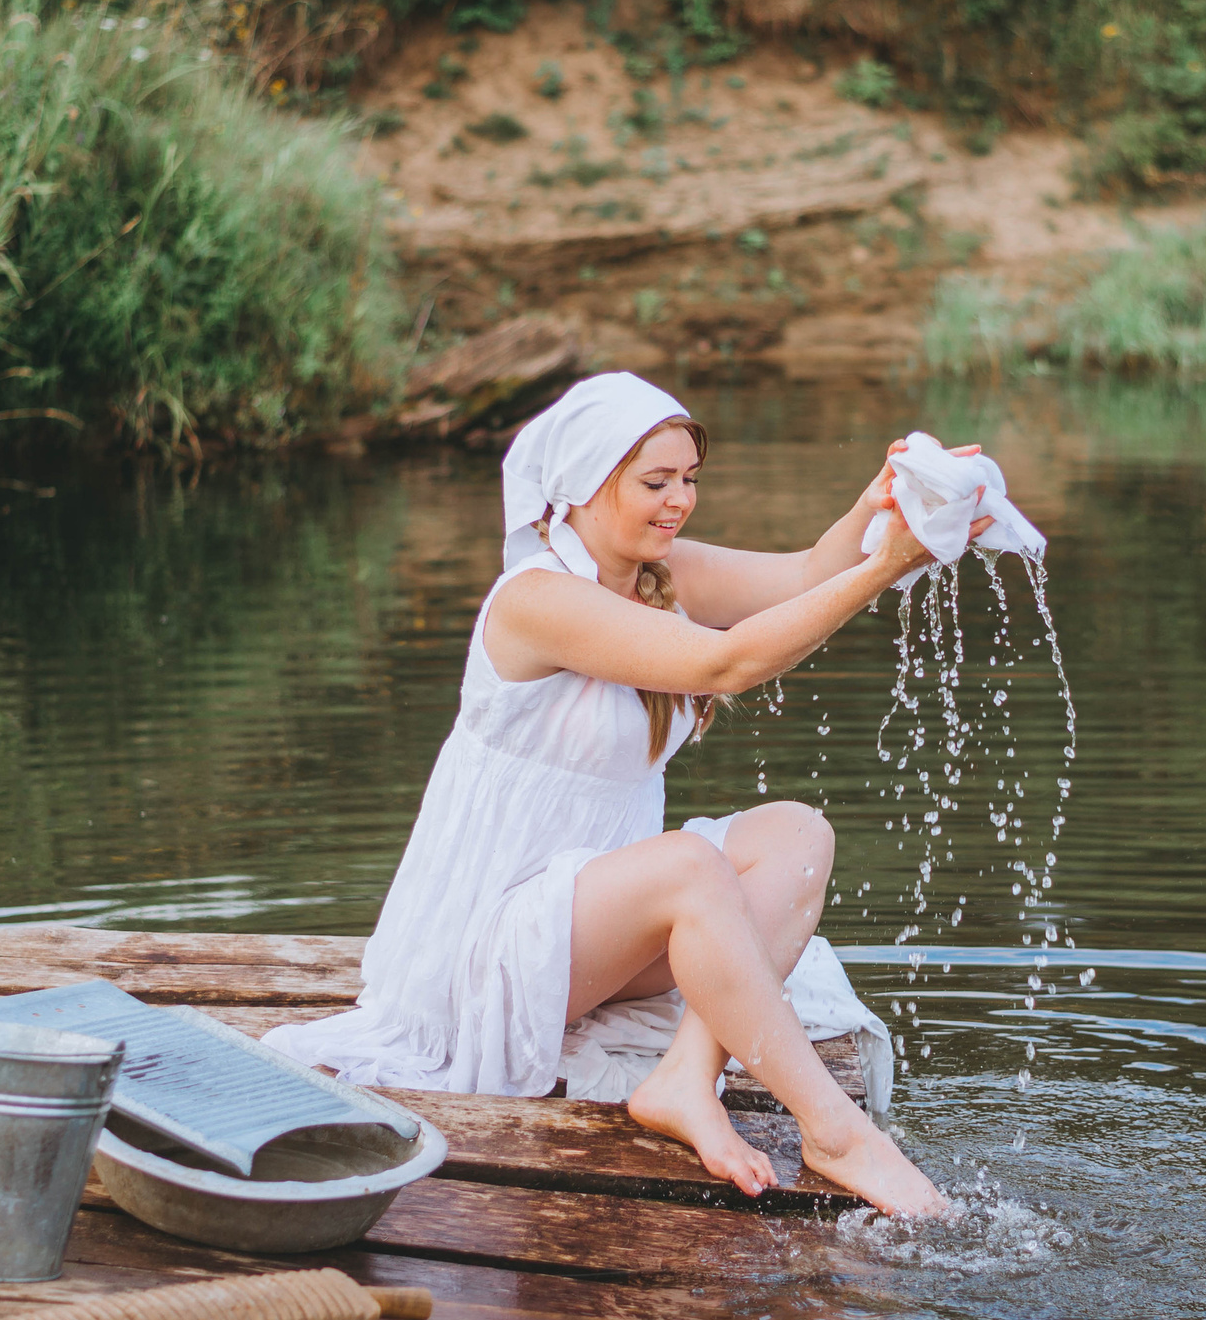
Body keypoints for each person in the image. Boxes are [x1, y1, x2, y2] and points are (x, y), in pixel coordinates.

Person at [263, 371, 979, 1216]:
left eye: (689, 478)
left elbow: (803, 574)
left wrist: (875, 512)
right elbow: (728, 663)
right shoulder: (535, 600)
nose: (679, 501)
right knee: (687, 865)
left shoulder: (657, 574)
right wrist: (889, 568)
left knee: (798, 835)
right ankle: (835, 1132)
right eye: (655, 482)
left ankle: (685, 1078)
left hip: (593, 937)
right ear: (582, 485)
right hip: (495, 948)